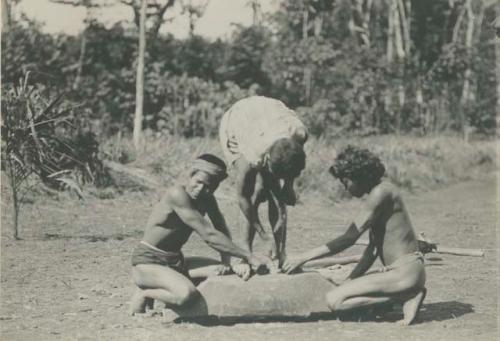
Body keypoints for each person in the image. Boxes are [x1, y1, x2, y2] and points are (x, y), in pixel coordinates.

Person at [282, 145, 427, 325]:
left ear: (360, 176)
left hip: (405, 273)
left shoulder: (381, 193)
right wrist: (351, 278)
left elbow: (349, 238)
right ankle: (403, 295)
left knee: (335, 301)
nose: (345, 187)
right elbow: (372, 250)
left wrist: (303, 257)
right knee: (342, 295)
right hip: (404, 273)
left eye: (346, 182)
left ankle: (405, 297)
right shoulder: (381, 193)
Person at [130, 154, 272, 315]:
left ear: (215, 187)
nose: (201, 189)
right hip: (148, 262)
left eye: (209, 187)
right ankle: (145, 293)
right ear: (191, 175)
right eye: (198, 182)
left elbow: (221, 229)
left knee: (225, 273)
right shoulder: (177, 194)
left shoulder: (207, 199)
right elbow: (209, 235)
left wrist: (226, 262)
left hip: (176, 262)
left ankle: (168, 286)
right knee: (185, 294)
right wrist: (248, 256)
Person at [219, 96, 308, 272]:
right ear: (267, 159)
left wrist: (288, 186)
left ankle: (280, 253)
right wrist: (264, 236)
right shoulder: (251, 155)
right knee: (253, 193)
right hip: (237, 121)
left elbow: (293, 161)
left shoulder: (299, 134)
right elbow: (242, 198)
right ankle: (245, 254)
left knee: (275, 191)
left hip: (270, 111)